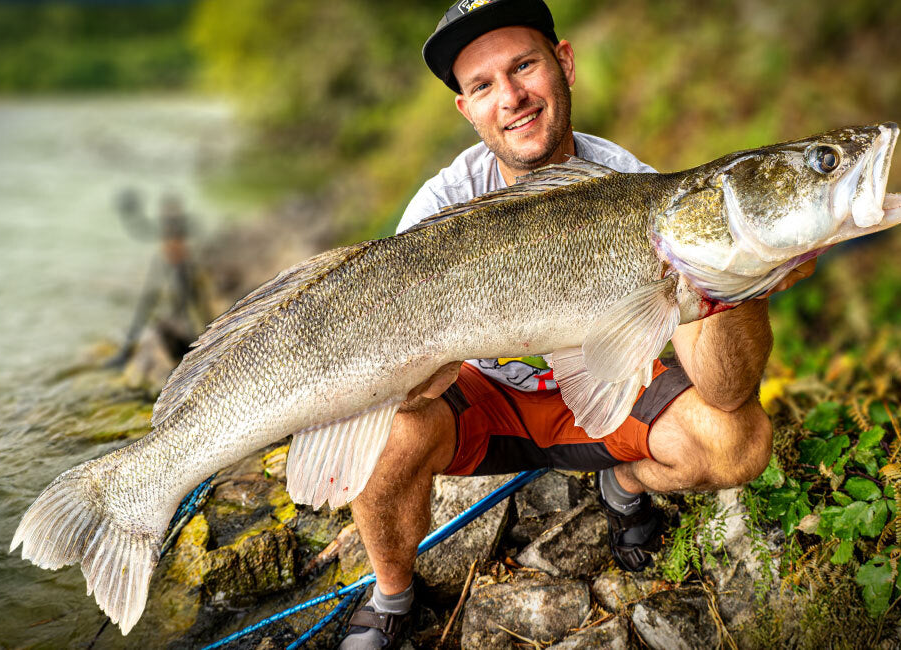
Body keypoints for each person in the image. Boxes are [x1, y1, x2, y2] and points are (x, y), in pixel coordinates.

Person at [340, 1, 814, 647]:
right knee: (373, 435)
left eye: (524, 66)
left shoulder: (639, 190)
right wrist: (408, 385)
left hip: (604, 386)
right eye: (482, 86)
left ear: (563, 63)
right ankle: (392, 595)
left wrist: (739, 282)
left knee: (738, 439)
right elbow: (400, 369)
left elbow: (726, 389)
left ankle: (620, 483)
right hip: (487, 399)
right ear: (467, 109)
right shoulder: (438, 210)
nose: (510, 97)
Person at [106, 190, 214, 368]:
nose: (169, 221)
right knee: (147, 306)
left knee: (192, 307)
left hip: (182, 266)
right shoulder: (174, 228)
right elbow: (141, 228)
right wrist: (129, 214)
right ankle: (126, 351)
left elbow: (193, 230)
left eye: (173, 216)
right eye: (167, 216)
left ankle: (206, 348)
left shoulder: (182, 226)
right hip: (164, 264)